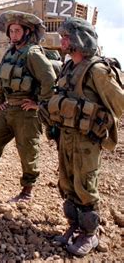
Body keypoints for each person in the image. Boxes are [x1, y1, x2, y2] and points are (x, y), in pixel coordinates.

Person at [44, 17, 124, 257]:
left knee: (85, 186)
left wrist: (93, 114)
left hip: (87, 140)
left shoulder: (97, 70)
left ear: (80, 39)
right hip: (66, 137)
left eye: (66, 37)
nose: (62, 41)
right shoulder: (68, 67)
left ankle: (90, 234)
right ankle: (75, 226)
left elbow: (119, 104)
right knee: (67, 183)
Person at [0, 10, 56, 202]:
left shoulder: (33, 53)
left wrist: (39, 104)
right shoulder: (10, 52)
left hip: (27, 113)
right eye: (11, 31)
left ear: (26, 32)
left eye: (17, 31)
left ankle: (27, 192)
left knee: (27, 151)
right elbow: (0, 77)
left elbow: (49, 79)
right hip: (9, 109)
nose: (13, 34)